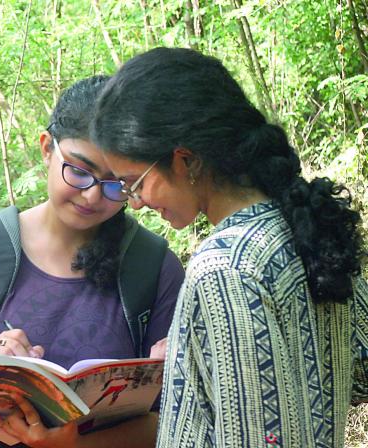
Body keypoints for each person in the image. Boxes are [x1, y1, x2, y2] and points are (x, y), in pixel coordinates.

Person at [91, 47, 368, 447]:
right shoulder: (297, 225)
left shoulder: (224, 269)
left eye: (135, 182)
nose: (134, 202)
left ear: (186, 161)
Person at [0, 75, 185, 447]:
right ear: (46, 148)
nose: (92, 196)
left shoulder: (153, 267)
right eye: (78, 170)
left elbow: (172, 418)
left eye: (116, 184)